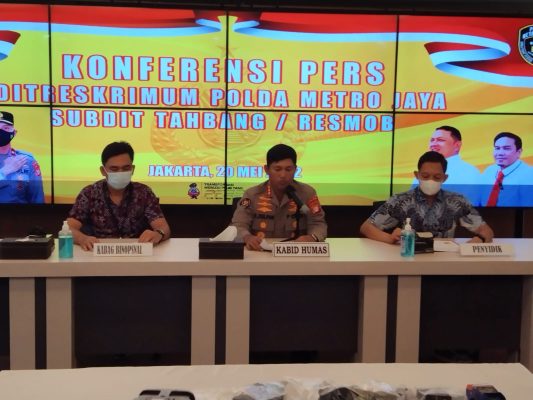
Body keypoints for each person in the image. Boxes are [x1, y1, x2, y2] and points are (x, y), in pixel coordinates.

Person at [361, 151, 494, 244]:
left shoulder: (457, 201)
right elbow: (366, 227)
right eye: (425, 176)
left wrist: (480, 239)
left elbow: (487, 231)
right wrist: (390, 238)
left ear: (444, 178)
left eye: (437, 177)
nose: (430, 180)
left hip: (444, 262)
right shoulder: (400, 200)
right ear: (417, 175)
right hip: (409, 259)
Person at [67, 141, 170, 250]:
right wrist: (82, 238)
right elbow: (69, 229)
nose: (120, 172)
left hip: (136, 252)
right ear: (103, 171)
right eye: (114, 169)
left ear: (133, 169)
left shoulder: (144, 192)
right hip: (99, 252)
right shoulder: (89, 193)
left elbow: (164, 227)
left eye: (126, 168)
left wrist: (159, 233)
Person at [231, 143, 327, 251]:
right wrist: (247, 237)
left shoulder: (307, 193)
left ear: (295, 169)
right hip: (260, 253)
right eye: (277, 169)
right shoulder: (252, 195)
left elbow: (318, 223)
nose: (283, 175)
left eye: (288, 169)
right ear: (267, 169)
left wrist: (312, 237)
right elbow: (238, 225)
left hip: (295, 252)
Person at [412, 126, 480, 203]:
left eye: (440, 140)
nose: (434, 144)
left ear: (457, 145)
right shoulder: (422, 170)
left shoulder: (468, 171)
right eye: (432, 140)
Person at [0, 111, 45, 203]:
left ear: (14, 132)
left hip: (18, 212)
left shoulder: (26, 160)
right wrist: (4, 171)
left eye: (6, 128)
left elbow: (37, 198)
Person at [480, 132, 533, 207]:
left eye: (506, 148)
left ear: (519, 152)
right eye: (497, 148)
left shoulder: (529, 175)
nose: (500, 153)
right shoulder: (489, 171)